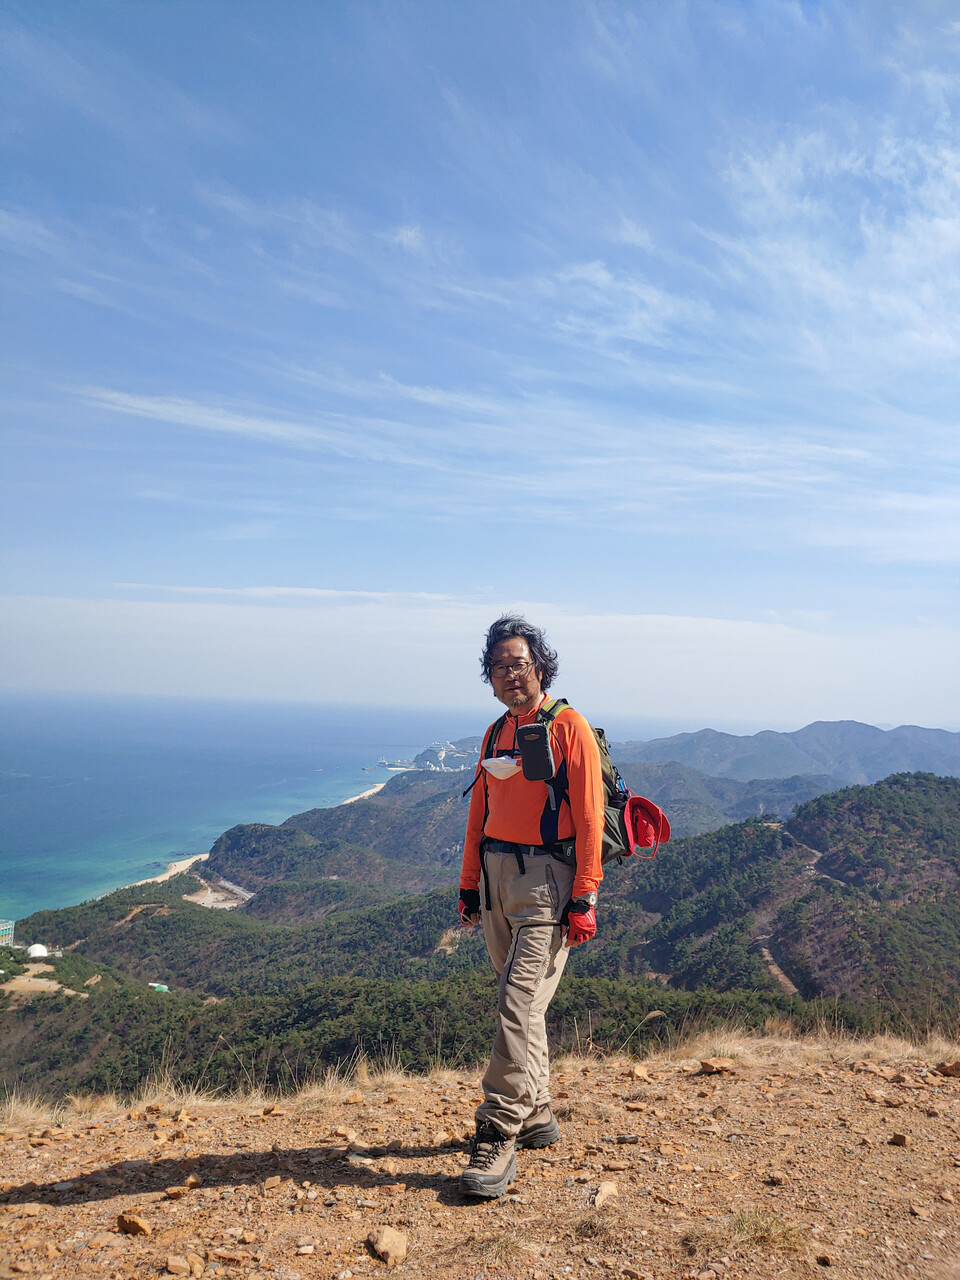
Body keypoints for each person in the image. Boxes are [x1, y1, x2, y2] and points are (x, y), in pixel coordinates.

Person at [457, 615, 604, 1198]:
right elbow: (479, 814)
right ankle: (538, 1111)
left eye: (519, 663)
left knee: (515, 1001)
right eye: (499, 667)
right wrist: (470, 884)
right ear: (490, 679)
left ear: (540, 666)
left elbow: (590, 816)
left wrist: (586, 894)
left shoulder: (570, 727)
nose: (510, 674)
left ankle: (498, 1130)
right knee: (527, 1007)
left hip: (548, 880)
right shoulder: (495, 733)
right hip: (497, 877)